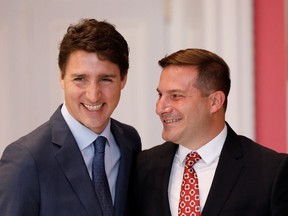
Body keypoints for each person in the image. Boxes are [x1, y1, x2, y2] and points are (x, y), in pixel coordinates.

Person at [0, 18, 141, 216]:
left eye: (105, 79)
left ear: (123, 79)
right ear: (62, 78)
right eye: (80, 79)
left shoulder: (129, 141)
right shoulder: (25, 159)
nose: (93, 94)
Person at [133, 48, 288, 216]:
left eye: (176, 96)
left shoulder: (271, 171)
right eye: (160, 95)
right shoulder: (143, 166)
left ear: (215, 102)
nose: (160, 108)